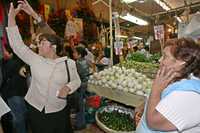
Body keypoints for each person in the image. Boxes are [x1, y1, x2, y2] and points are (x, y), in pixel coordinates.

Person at [7, 1, 81, 133]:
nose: (38, 45)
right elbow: (16, 45)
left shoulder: (69, 63)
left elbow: (77, 80)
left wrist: (68, 87)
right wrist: (11, 17)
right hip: (36, 111)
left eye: (42, 42)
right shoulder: (35, 60)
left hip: (59, 111)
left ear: (53, 47)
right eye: (38, 42)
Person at [136, 38, 200, 133]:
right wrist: (144, 106)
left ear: (181, 62)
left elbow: (153, 122)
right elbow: (162, 99)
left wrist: (156, 89)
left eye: (165, 56)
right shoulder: (175, 78)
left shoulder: (189, 95)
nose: (160, 60)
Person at [1, 52, 28, 133]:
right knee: (20, 118)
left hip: (14, 93)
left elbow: (4, 77)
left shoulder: (11, 62)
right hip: (17, 93)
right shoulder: (17, 61)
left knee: (19, 118)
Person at [73, 46, 90, 130]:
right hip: (85, 83)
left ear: (79, 55)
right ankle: (82, 121)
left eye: (75, 52)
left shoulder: (77, 63)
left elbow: (76, 75)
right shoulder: (85, 61)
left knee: (80, 106)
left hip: (80, 85)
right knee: (82, 104)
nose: (73, 54)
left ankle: (80, 124)